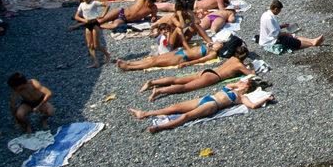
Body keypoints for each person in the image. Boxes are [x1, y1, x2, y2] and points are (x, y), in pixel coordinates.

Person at [129, 78, 271, 133]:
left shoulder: (242, 97)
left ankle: (159, 128)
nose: (241, 81)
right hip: (206, 98)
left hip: (213, 105)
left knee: (186, 116)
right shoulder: (232, 87)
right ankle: (144, 114)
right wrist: (241, 83)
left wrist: (265, 98)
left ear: (247, 87)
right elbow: (233, 83)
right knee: (174, 107)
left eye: (244, 82)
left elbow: (252, 106)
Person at [140, 43, 253, 101]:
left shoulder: (232, 58)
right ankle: (159, 90)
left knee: (178, 79)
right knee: (185, 87)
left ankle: (153, 82)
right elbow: (251, 74)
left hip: (208, 71)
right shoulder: (239, 65)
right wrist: (251, 68)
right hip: (213, 77)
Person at [68, 0, 112, 67]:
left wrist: (103, 14)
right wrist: (84, 20)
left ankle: (107, 54)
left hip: (94, 24)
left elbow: (107, 5)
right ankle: (95, 62)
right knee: (89, 45)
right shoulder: (81, 5)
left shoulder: (94, 3)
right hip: (87, 25)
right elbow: (76, 16)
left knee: (96, 45)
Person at [258, 0, 323, 54]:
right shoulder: (269, 18)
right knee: (290, 40)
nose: (279, 12)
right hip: (269, 41)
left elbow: (271, 28)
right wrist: (286, 34)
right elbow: (275, 34)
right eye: (279, 10)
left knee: (292, 36)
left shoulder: (266, 14)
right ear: (275, 9)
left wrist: (282, 26)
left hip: (271, 37)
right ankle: (312, 44)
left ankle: (312, 40)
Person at [116, 40, 222, 72]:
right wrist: (210, 44)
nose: (218, 43)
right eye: (219, 43)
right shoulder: (210, 45)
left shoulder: (213, 54)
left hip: (182, 58)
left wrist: (187, 63)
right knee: (153, 58)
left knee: (155, 62)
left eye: (220, 44)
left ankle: (130, 68)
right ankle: (130, 63)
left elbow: (201, 60)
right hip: (180, 52)